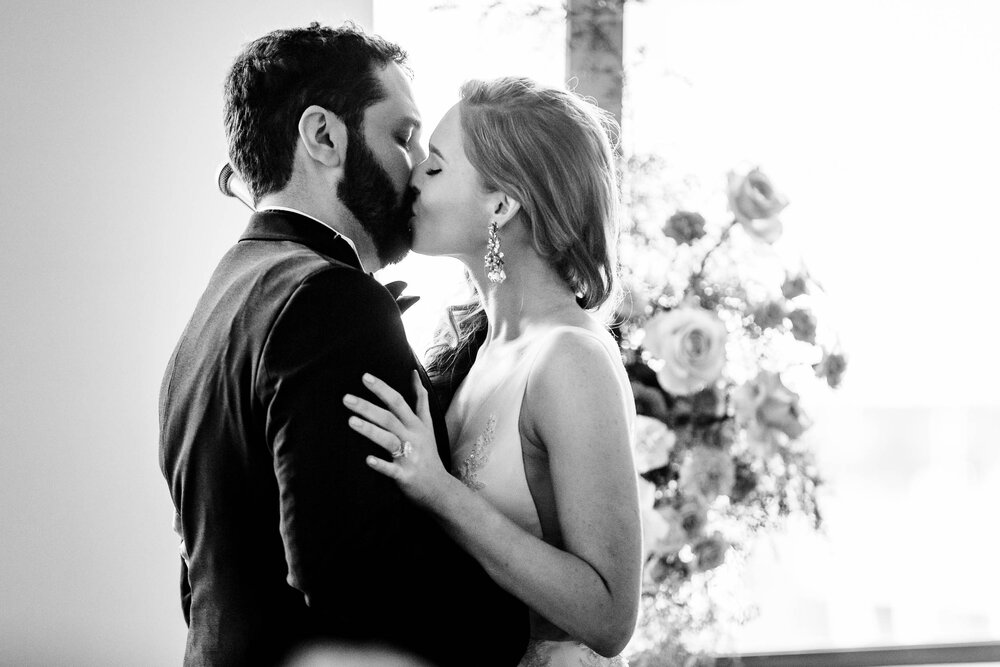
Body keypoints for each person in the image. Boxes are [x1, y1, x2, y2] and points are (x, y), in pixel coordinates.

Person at [159, 24, 527, 666]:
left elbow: (205, 577)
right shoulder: (330, 302)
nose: (417, 169)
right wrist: (514, 624)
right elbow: (355, 583)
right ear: (324, 136)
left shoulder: (219, 298)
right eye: (403, 136)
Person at [342, 78, 642, 667]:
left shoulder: (569, 360)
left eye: (435, 166)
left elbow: (610, 619)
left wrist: (440, 491)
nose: (412, 177)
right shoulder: (479, 344)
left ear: (500, 205)